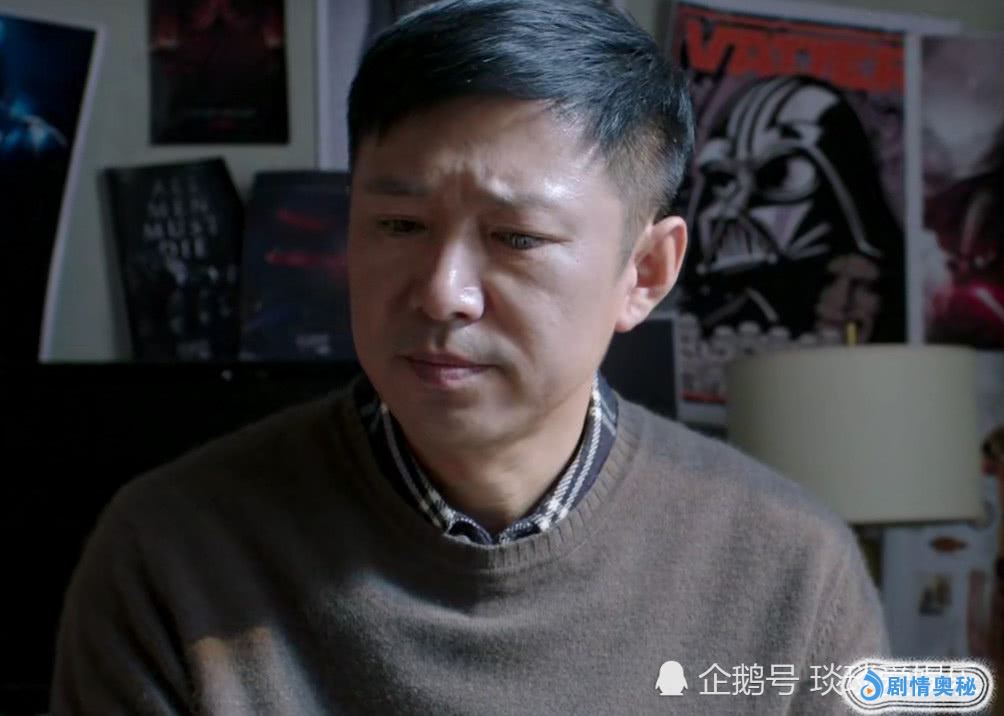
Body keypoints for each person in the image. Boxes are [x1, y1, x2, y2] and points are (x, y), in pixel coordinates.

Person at [50, 1, 890, 713]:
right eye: (398, 226)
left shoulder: (789, 569)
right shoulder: (172, 552)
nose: (442, 293)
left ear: (643, 273)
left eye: (515, 237)